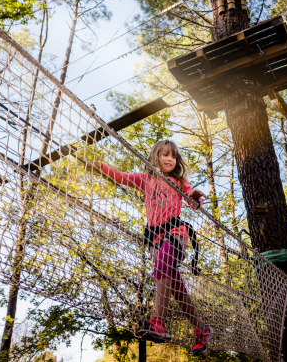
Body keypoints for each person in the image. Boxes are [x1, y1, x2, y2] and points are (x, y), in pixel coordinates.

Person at [85, 139, 213, 356]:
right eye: (165, 154)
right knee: (177, 291)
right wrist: (99, 166)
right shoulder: (145, 179)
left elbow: (193, 203)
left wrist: (195, 197)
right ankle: (202, 330)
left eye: (173, 156)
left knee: (162, 265)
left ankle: (158, 323)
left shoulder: (180, 182)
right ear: (155, 156)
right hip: (156, 239)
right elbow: (121, 177)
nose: (169, 159)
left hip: (175, 234)